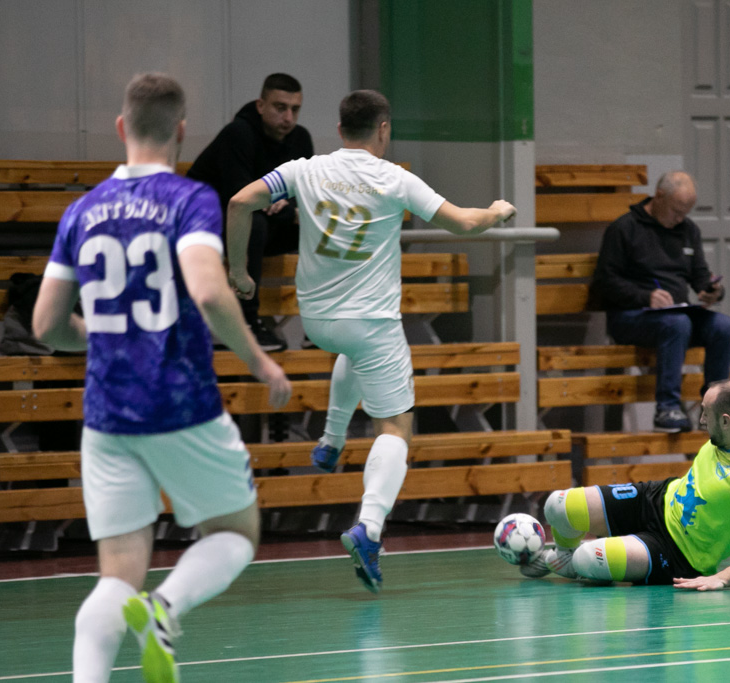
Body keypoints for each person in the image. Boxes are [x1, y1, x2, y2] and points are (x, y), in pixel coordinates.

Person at [32, 73, 292, 683]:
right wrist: (258, 359)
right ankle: (165, 608)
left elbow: (46, 324)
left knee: (116, 574)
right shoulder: (188, 199)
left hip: (108, 415)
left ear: (121, 128)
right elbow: (208, 290)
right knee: (236, 532)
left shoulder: (81, 211)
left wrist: (105, 332)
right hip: (180, 404)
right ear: (180, 131)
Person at [227, 89, 516, 593]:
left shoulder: (303, 170)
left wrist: (238, 273)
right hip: (372, 324)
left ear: (340, 129)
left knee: (352, 353)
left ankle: (331, 440)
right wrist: (497, 210)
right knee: (395, 428)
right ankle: (370, 528)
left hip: (316, 320)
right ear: (384, 129)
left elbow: (239, 202)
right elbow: (464, 223)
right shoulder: (395, 178)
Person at [521, 379, 730, 590]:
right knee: (557, 504)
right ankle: (564, 556)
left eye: (706, 414)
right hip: (658, 498)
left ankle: (565, 562)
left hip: (679, 552)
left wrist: (722, 578)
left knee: (589, 558)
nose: (701, 421)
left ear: (726, 421)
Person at [590, 171, 730, 433]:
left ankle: (714, 408)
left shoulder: (688, 230)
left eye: (685, 213)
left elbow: (700, 276)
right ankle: (667, 408)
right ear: (659, 196)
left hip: (676, 316)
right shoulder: (624, 229)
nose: (680, 218)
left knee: (723, 326)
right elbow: (605, 282)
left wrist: (713, 291)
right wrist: (645, 296)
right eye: (676, 211)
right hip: (631, 316)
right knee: (677, 324)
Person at [186, 73, 314, 351]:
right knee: (252, 222)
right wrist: (284, 207)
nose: (288, 118)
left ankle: (319, 323)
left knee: (319, 226)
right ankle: (245, 323)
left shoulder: (300, 139)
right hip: (205, 226)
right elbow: (239, 199)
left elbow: (306, 197)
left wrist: (290, 208)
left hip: (264, 226)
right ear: (260, 105)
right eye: (280, 107)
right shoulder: (238, 134)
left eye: (295, 109)